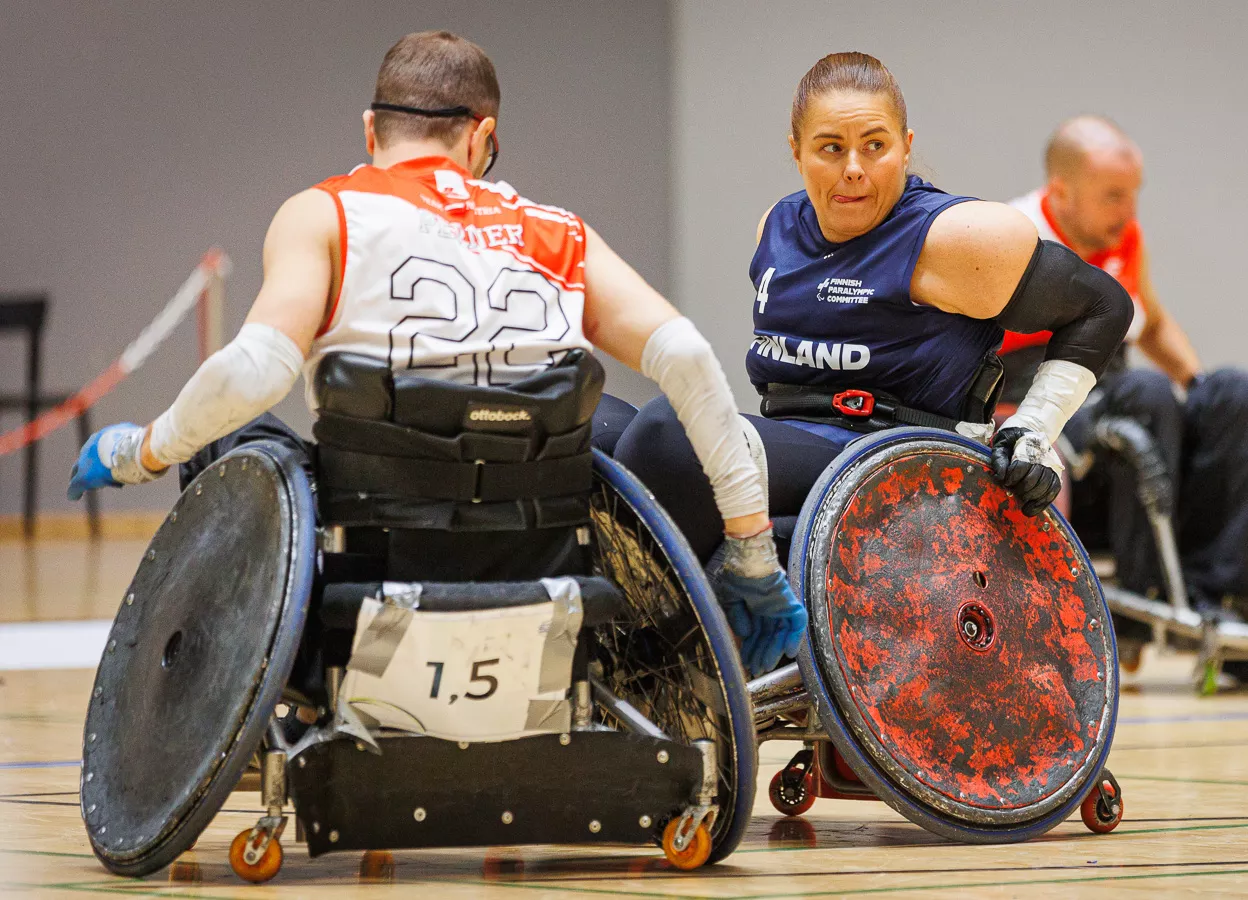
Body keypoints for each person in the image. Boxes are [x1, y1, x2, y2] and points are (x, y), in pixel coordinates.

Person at [65, 30, 804, 675]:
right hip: (536, 557)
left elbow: (254, 370)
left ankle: (267, 670)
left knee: (222, 442)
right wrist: (750, 552)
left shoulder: (326, 214)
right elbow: (685, 356)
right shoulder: (556, 233)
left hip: (367, 558)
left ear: (369, 131)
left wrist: (144, 450)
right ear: (482, 138)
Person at [613, 53, 1132, 590]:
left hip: (900, 464)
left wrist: (1033, 429)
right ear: (797, 151)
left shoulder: (957, 238)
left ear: (906, 147)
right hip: (798, 445)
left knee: (667, 438)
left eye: (875, 146)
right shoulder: (777, 226)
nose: (854, 168)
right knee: (603, 430)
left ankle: (665, 636)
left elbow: (1104, 305)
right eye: (831, 148)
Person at [1004, 115, 1248, 626]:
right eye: (1113, 196)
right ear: (1061, 192)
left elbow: (1151, 324)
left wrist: (1199, 383)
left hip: (1118, 386)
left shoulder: (1124, 238)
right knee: (1147, 393)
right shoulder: (1015, 239)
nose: (1129, 212)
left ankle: (1218, 591)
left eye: (1133, 194)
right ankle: (1140, 591)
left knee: (1236, 393)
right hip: (1042, 398)